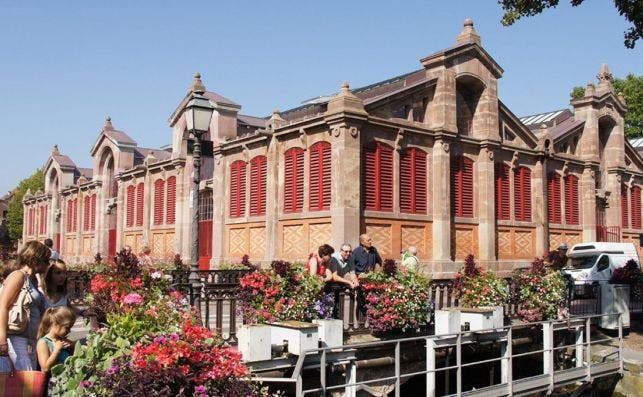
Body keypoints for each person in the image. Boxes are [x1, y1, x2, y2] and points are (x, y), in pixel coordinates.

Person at [0, 240, 49, 371]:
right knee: (23, 382)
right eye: (46, 261)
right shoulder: (18, 276)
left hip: (28, 340)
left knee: (28, 382)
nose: (48, 264)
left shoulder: (32, 279)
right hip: (16, 340)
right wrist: (2, 339)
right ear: (36, 260)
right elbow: (3, 306)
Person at [36, 306, 75, 374]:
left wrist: (72, 348)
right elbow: (45, 368)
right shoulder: (43, 342)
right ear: (55, 324)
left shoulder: (62, 341)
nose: (69, 331)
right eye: (67, 328)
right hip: (53, 382)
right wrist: (57, 350)